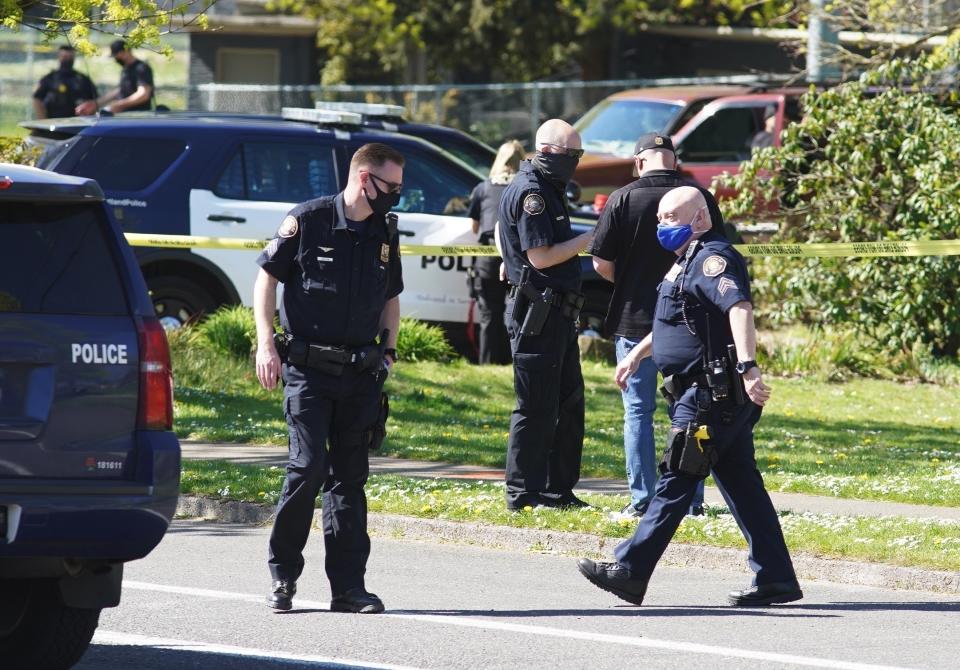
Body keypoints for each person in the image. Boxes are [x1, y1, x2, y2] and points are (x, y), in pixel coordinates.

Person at [577, 186, 802, 607]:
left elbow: (740, 308)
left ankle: (630, 569)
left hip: (709, 395)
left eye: (671, 218)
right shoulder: (685, 261)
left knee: (677, 477)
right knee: (743, 487)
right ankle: (776, 578)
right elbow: (673, 323)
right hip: (701, 393)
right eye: (660, 219)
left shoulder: (714, 258)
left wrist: (748, 367)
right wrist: (638, 356)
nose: (662, 225)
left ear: (699, 218)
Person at [253, 143, 404, 614]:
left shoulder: (384, 231)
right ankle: (283, 577)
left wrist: (389, 350)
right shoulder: (310, 220)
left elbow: (391, 295)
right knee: (308, 468)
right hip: (308, 372)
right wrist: (265, 343)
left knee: (349, 480)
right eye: (391, 186)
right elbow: (267, 279)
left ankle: (348, 588)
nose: (396, 195)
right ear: (364, 179)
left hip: (361, 373)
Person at [589, 133, 726, 521]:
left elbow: (600, 262)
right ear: (674, 160)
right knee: (690, 413)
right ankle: (691, 500)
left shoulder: (622, 198)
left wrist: (631, 283)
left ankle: (643, 499)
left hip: (635, 320)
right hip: (690, 322)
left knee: (638, 412)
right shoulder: (698, 198)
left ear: (639, 163)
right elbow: (716, 253)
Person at [497, 119, 593, 511]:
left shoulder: (548, 187)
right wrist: (589, 239)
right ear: (548, 151)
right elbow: (540, 256)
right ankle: (523, 493)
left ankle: (557, 491)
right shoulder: (531, 192)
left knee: (568, 404)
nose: (575, 163)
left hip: (556, 314)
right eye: (572, 156)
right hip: (537, 315)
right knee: (536, 408)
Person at [467, 140, 524, 364]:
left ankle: (487, 363)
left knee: (489, 314)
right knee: (517, 314)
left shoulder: (483, 188)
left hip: (488, 259)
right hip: (518, 256)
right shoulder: (525, 188)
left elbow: (474, 227)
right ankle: (514, 362)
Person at [76, 40, 154, 115]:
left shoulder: (141, 68)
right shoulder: (126, 70)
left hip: (139, 116)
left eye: (118, 55)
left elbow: (143, 94)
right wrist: (95, 103)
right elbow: (121, 90)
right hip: (125, 115)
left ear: (126, 52)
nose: (116, 59)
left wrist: (119, 105)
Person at [31, 45, 98, 119]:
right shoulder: (49, 78)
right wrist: (42, 120)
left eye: (70, 57)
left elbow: (94, 100)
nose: (68, 60)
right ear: (59, 57)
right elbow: (37, 99)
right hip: (53, 121)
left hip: (78, 122)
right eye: (65, 57)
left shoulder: (83, 79)